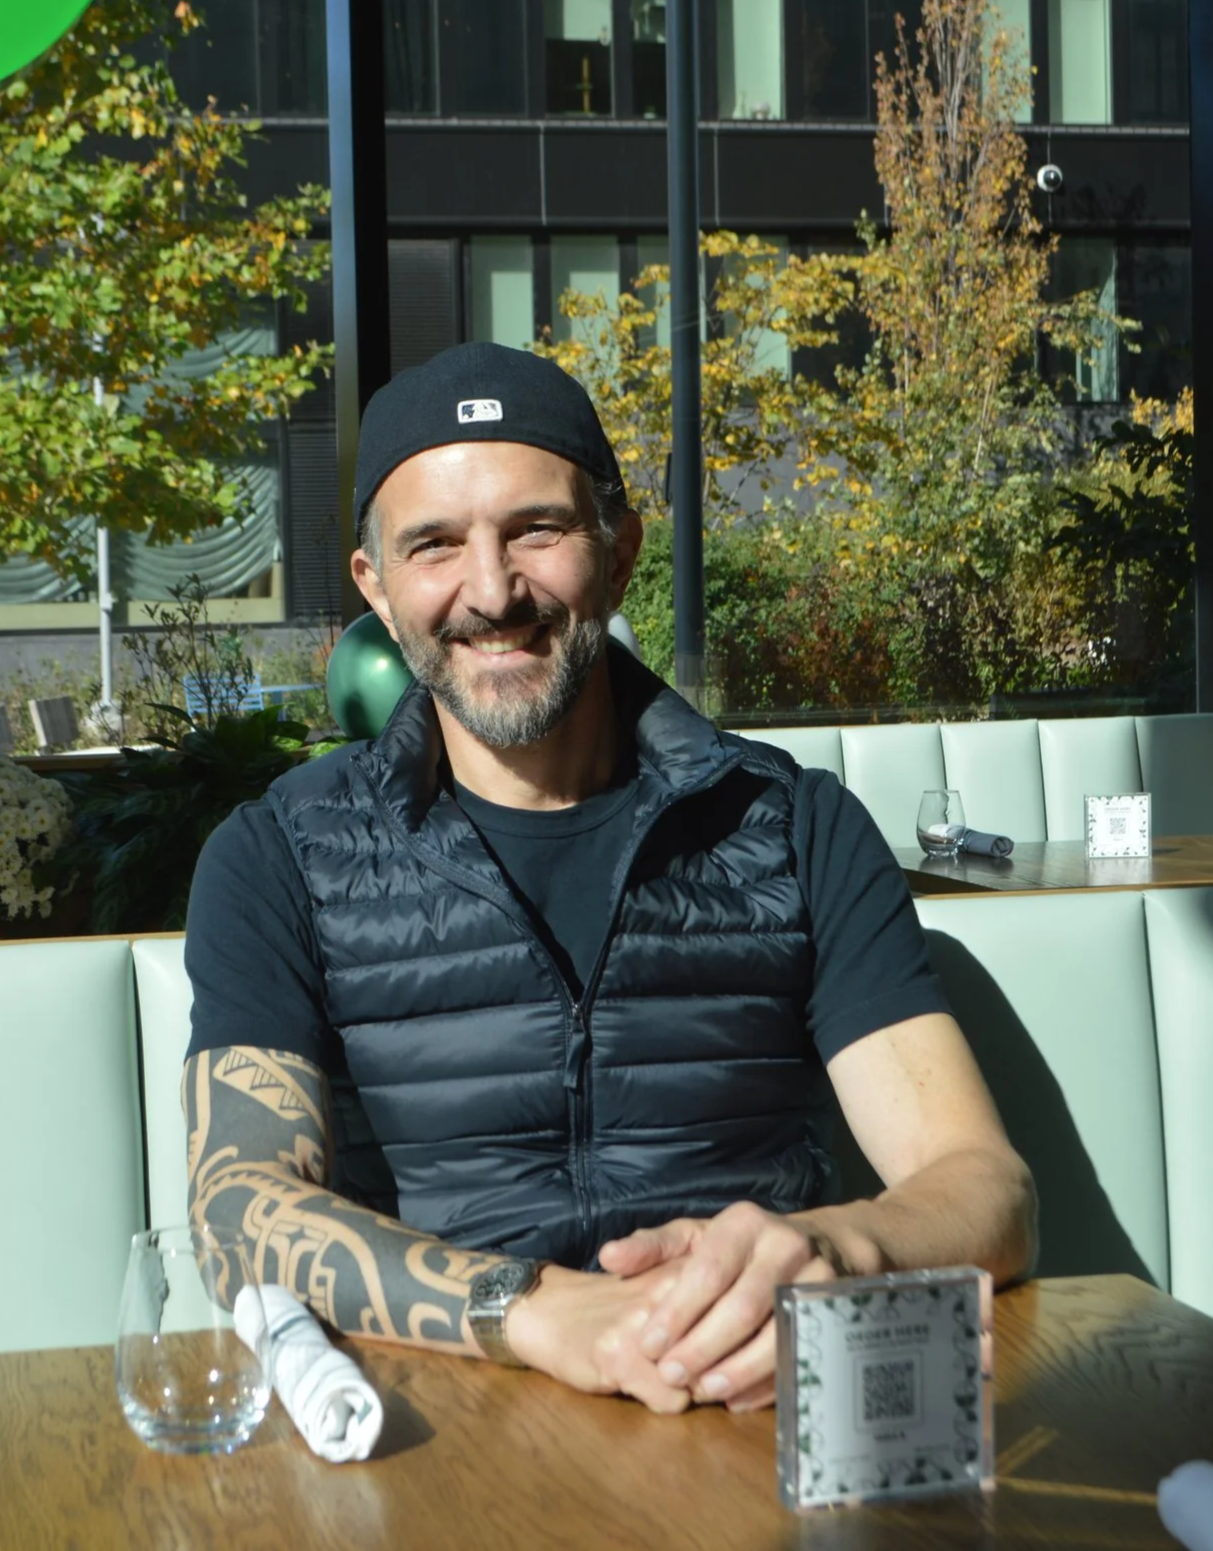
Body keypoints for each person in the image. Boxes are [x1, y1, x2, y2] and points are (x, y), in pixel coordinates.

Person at [182, 342, 1033, 1415]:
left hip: (748, 1406)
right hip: (436, 1427)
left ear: (618, 549)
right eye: (434, 546)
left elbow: (985, 1186)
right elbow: (236, 1208)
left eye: (534, 530)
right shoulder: (279, 857)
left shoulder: (791, 827)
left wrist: (827, 1246)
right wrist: (532, 1311)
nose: (490, 592)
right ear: (379, 591)